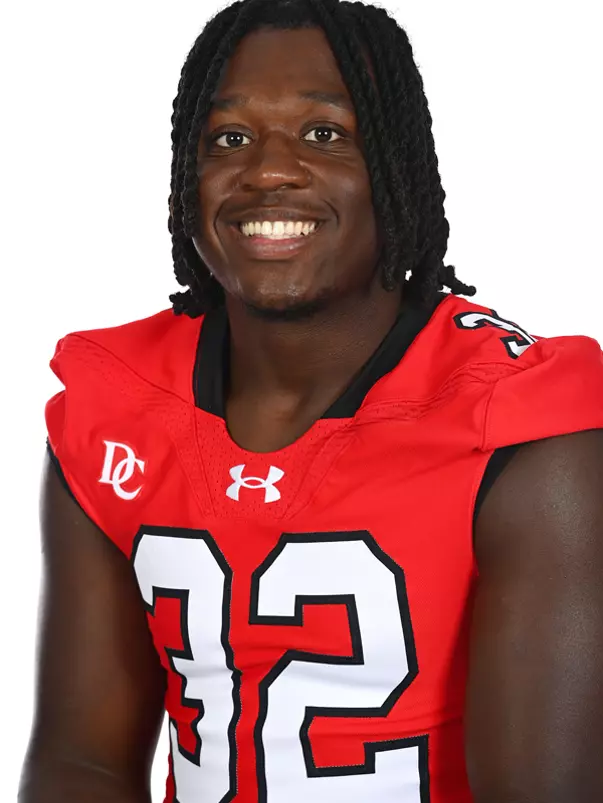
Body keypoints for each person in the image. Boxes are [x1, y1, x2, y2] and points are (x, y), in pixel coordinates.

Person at [18, 0, 603, 801]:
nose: (267, 170)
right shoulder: (116, 400)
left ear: (394, 168)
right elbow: (81, 763)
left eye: (324, 134)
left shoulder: (521, 421)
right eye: (228, 139)